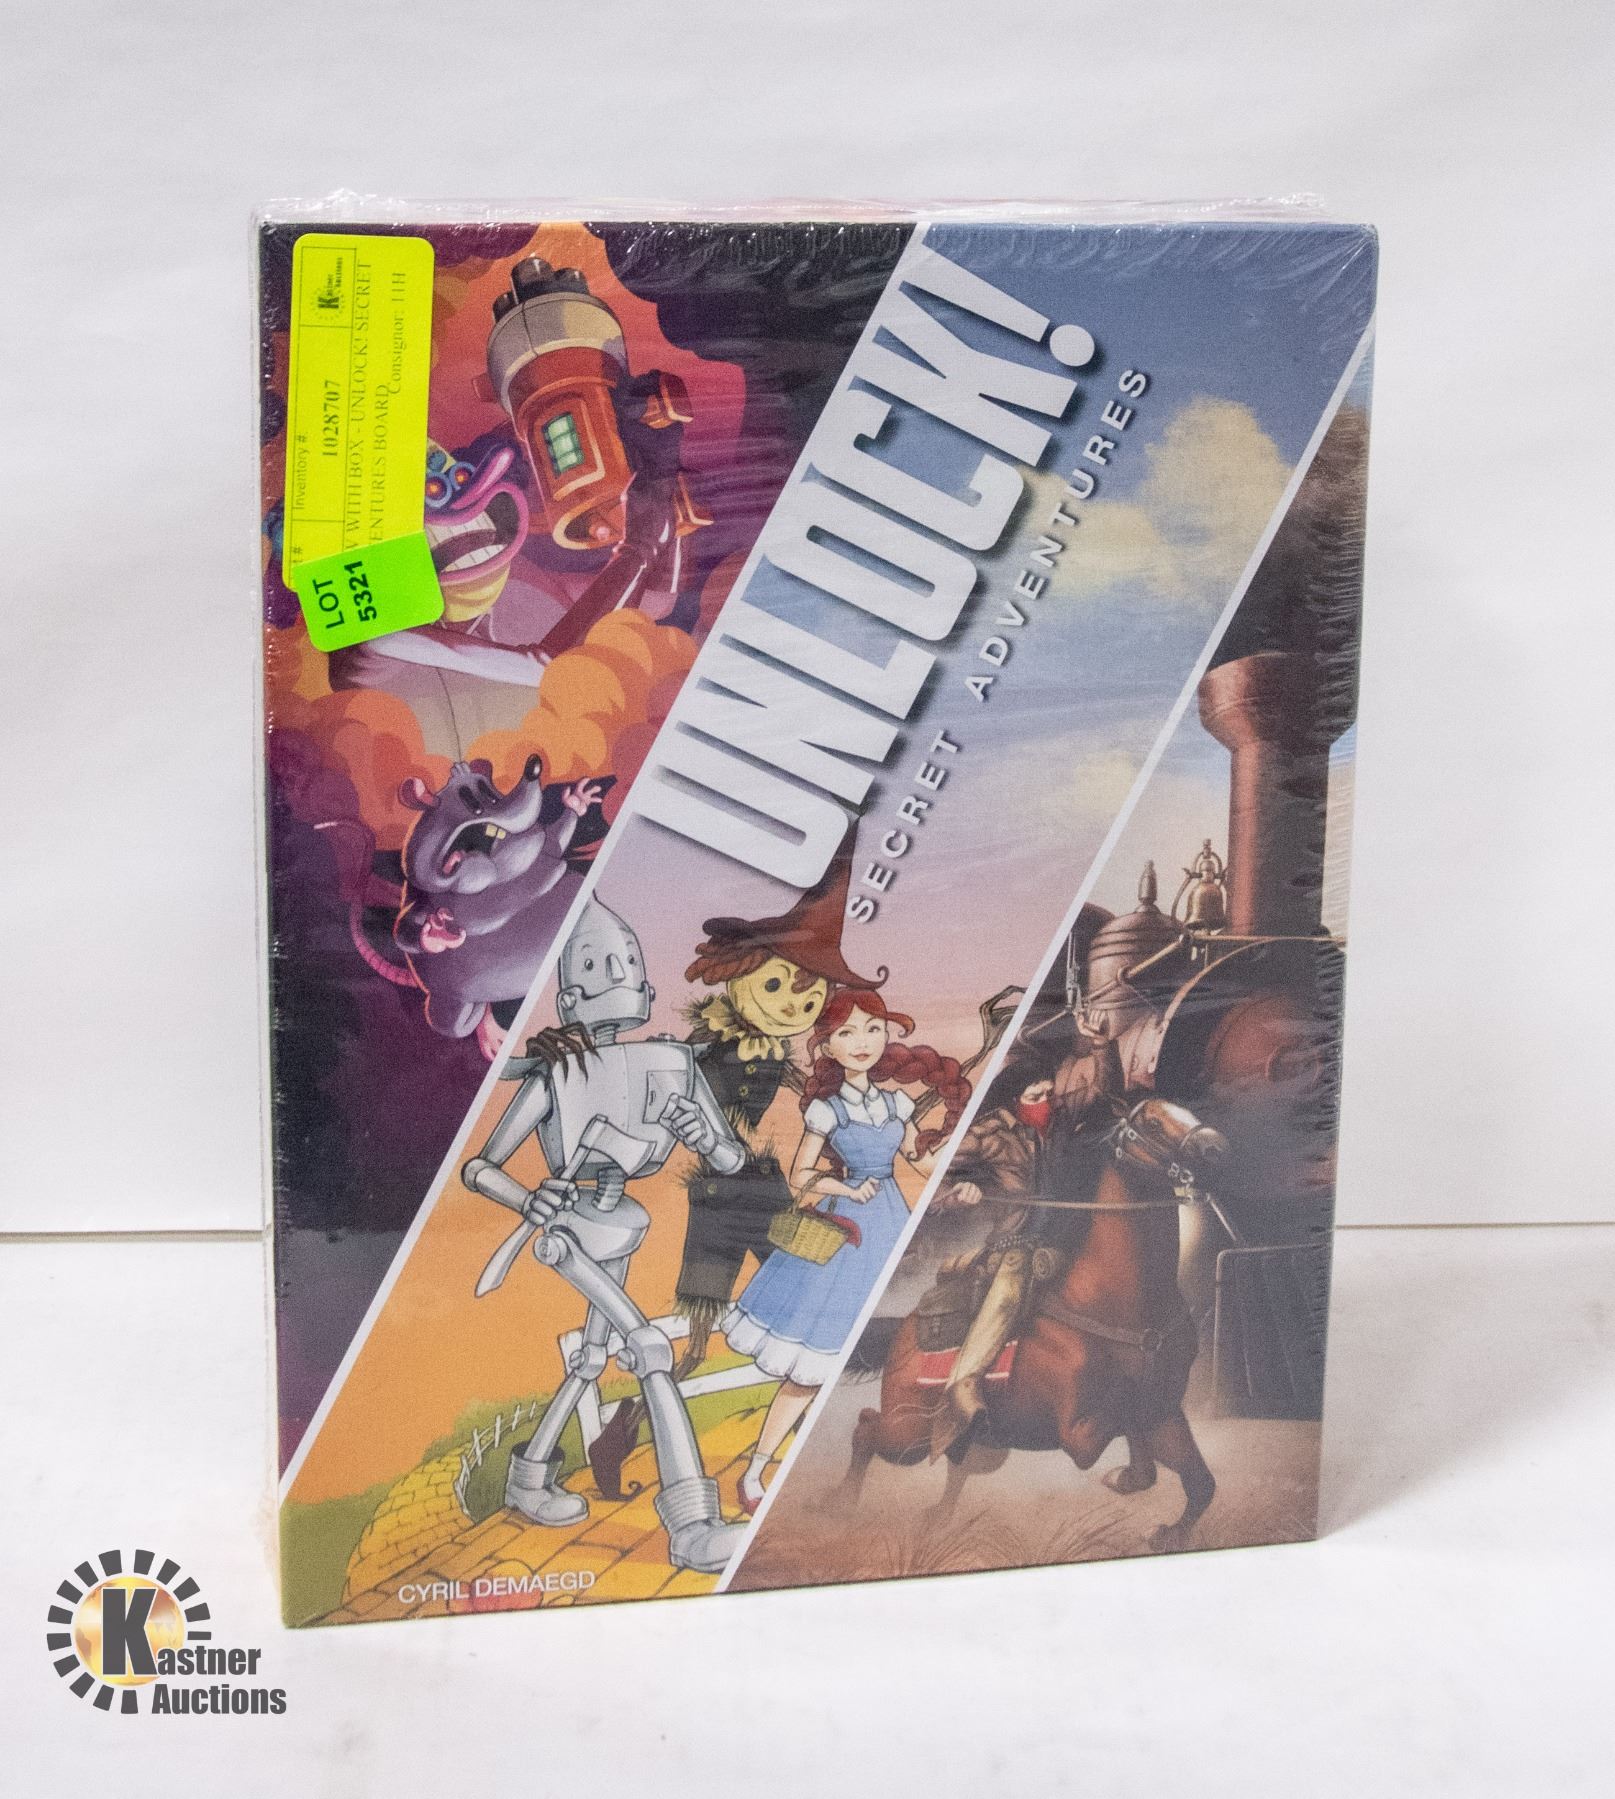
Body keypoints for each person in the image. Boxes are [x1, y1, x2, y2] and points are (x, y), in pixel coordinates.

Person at [724, 989, 971, 1513]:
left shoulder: (896, 1103)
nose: (862, 1041)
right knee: (808, 1373)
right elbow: (801, 1176)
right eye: (847, 1032)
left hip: (892, 1227)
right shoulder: (826, 1109)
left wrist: (962, 1177)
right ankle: (755, 1472)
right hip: (846, 1236)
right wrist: (846, 1189)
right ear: (827, 1045)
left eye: (873, 1029)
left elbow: (923, 1165)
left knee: (913, 1339)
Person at [929, 1032, 1124, 1459]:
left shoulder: (1063, 1122)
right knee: (1012, 1280)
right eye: (1036, 1096)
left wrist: (1102, 1047)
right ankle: (963, 1385)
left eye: (1050, 1093)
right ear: (1014, 1099)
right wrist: (956, 1193)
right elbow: (926, 1175)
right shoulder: (987, 1134)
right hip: (1015, 1244)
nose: (1046, 1102)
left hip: (1062, 1242)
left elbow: (1105, 1097)